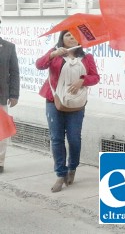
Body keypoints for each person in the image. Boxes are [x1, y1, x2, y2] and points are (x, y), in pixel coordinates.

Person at [36, 30, 100, 192]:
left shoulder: (86, 58)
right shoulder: (54, 53)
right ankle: (60, 173)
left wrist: (82, 80)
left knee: (74, 138)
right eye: (68, 35)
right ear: (62, 38)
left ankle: (72, 167)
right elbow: (39, 65)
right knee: (56, 138)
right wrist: (52, 55)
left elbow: (95, 77)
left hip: (76, 102)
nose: (72, 38)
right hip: (54, 100)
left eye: (75, 35)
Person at [0, 35, 20, 174]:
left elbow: (14, 72)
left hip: (1, 96)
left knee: (2, 132)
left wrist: (14, 94)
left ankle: (0, 162)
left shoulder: (8, 47)